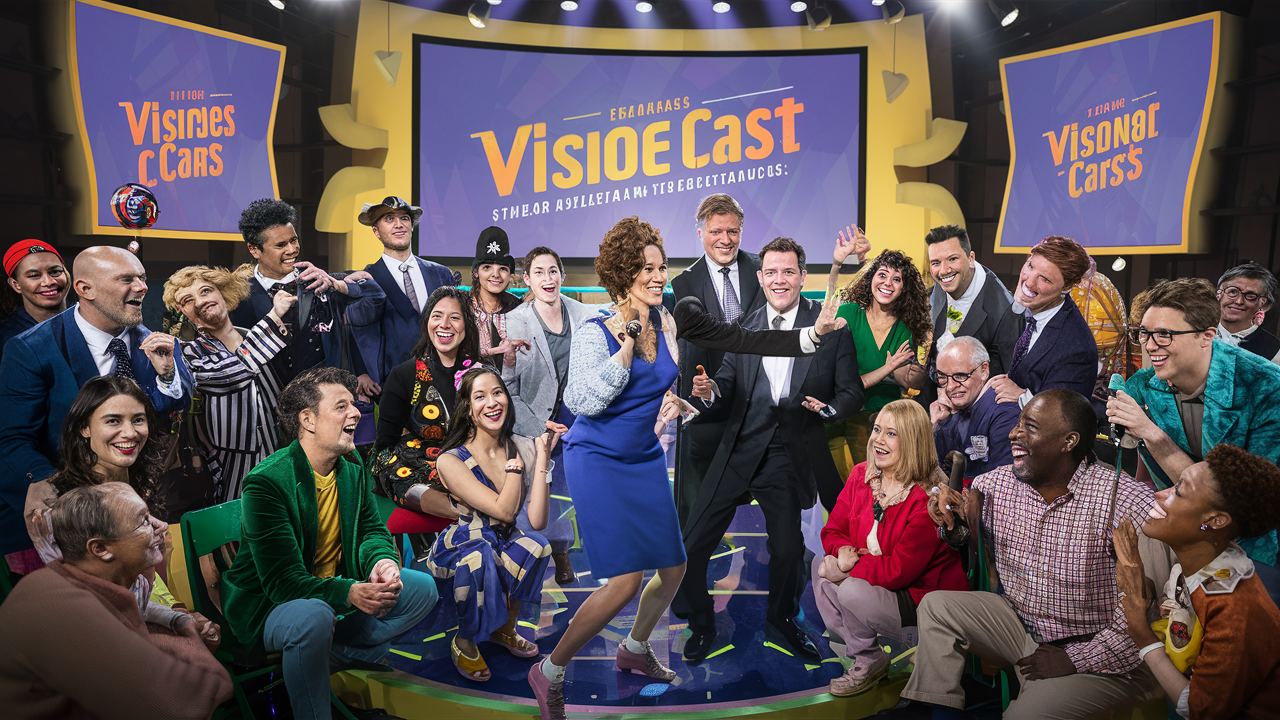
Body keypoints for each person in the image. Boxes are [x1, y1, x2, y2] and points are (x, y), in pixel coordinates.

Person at [903, 389, 1162, 718]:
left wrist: (1073, 659)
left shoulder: (1124, 500)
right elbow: (961, 531)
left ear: (1068, 441)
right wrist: (951, 522)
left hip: (1100, 654)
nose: (1014, 433)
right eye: (1018, 423)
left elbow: (1149, 613)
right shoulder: (995, 486)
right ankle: (939, 711)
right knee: (938, 607)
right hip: (1023, 630)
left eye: (1031, 426)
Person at [528, 217, 692, 720]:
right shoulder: (596, 329)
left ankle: (635, 650)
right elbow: (580, 400)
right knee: (624, 581)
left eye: (662, 267)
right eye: (647, 268)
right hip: (596, 458)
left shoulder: (665, 322)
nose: (659, 276)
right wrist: (623, 348)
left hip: (643, 456)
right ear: (623, 275)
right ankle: (550, 671)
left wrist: (680, 402)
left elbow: (660, 383)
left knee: (674, 567)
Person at [675, 237, 862, 664]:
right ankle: (701, 621)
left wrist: (829, 409)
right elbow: (725, 382)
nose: (780, 280)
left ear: (802, 276)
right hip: (739, 446)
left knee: (788, 548)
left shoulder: (830, 323)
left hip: (788, 452)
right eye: (771, 272)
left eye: (788, 271)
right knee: (693, 541)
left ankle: (782, 618)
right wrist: (710, 390)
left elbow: (850, 391)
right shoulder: (745, 324)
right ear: (760, 278)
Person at [219, 367, 438, 720]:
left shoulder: (351, 465)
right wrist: (351, 592)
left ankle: (316, 657)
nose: (356, 412)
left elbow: (371, 531)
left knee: (423, 588)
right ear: (307, 419)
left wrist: (383, 562)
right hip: (271, 609)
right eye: (341, 407)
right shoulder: (266, 483)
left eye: (354, 404)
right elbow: (283, 583)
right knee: (314, 616)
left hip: (333, 593)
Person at [0, 246, 190, 559]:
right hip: (66, 521)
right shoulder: (30, 349)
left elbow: (168, 408)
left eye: (142, 278)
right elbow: (12, 438)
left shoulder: (155, 342)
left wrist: (168, 376)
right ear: (85, 289)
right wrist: (43, 484)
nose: (142, 287)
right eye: (126, 279)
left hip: (139, 509)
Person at [1107, 277, 1280, 600]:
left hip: (1253, 546)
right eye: (1144, 332)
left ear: (1207, 336)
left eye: (1165, 334)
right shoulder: (1145, 385)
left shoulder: (1266, 387)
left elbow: (1241, 504)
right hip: (1180, 532)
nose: (1149, 344)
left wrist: (1151, 433)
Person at [0, 483, 233, 719]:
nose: (160, 526)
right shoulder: (63, 608)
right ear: (100, 548)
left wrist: (178, 619)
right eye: (143, 521)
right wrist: (189, 639)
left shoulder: (115, 583)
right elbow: (189, 701)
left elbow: (138, 612)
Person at [1114, 445, 1280, 719]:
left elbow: (1199, 710)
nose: (1158, 493)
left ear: (1214, 521)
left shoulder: (1235, 610)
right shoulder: (1198, 569)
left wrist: (1141, 635)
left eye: (1178, 491)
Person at [814, 400, 967, 697]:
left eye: (891, 434)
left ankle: (921, 645)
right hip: (878, 583)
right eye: (876, 430)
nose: (877, 440)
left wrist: (846, 563)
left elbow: (897, 572)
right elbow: (832, 529)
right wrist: (841, 549)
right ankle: (868, 658)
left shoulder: (926, 500)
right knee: (820, 568)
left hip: (920, 603)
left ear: (912, 442)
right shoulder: (861, 475)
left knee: (847, 588)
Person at [428, 366, 555, 682]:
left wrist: (541, 458)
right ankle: (465, 640)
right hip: (464, 544)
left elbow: (537, 521)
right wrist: (514, 472)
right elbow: (504, 512)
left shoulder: (521, 445)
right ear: (468, 409)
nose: (492, 402)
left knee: (537, 546)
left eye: (498, 393)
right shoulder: (451, 460)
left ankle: (504, 629)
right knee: (480, 555)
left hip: (502, 540)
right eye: (480, 396)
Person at [502, 246, 607, 584]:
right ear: (527, 279)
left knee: (569, 490)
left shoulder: (584, 313)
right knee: (536, 489)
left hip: (578, 421)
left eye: (552, 271)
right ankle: (529, 558)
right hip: (534, 421)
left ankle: (563, 553)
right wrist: (535, 425)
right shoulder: (515, 319)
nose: (547, 279)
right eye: (539, 272)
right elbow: (509, 386)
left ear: (562, 275)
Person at [165, 265, 295, 501]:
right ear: (182, 310)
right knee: (240, 529)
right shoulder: (187, 353)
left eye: (206, 291)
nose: (201, 301)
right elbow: (232, 374)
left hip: (285, 450)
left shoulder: (252, 334)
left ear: (222, 293)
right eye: (188, 299)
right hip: (234, 463)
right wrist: (275, 317)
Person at [672, 193, 764, 523]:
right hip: (707, 409)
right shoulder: (682, 283)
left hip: (759, 406)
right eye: (716, 232)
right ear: (700, 233)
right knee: (698, 507)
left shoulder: (763, 269)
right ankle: (691, 569)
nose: (725, 240)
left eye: (733, 231)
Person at [372, 286, 483, 551]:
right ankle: (466, 513)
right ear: (426, 323)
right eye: (437, 316)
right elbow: (385, 441)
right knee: (389, 461)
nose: (445, 325)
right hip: (418, 464)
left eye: (454, 317)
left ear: (467, 325)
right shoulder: (403, 374)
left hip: (469, 461)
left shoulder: (482, 372)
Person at [229, 198, 382, 387]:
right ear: (254, 249)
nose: (292, 250)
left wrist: (337, 284)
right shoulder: (237, 296)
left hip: (322, 397)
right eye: (281, 245)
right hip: (265, 401)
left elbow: (376, 299)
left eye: (294, 240)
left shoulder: (321, 281)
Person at [831, 248, 932, 474]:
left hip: (880, 420)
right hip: (838, 414)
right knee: (840, 488)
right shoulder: (847, 313)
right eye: (883, 275)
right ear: (871, 279)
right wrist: (887, 368)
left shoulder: (905, 329)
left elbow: (910, 380)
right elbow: (837, 374)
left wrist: (919, 371)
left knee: (874, 481)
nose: (888, 283)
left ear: (904, 288)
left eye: (897, 279)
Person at [349, 196, 456, 398]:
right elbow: (358, 330)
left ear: (412, 226)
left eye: (404, 218)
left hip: (443, 379)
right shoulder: (367, 278)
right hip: (390, 383)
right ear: (376, 231)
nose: (399, 225)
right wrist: (361, 372)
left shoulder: (441, 274)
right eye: (389, 219)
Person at [988, 236, 1098, 406]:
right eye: (1030, 266)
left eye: (1045, 279)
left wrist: (1022, 396)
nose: (1029, 281)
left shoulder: (1076, 347)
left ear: (1067, 287)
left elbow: (1065, 414)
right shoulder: (1026, 311)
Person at [920, 225, 1018, 409]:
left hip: (978, 408)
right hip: (936, 395)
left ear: (970, 258)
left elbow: (1007, 377)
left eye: (952, 259)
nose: (943, 270)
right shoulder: (943, 284)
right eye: (935, 263)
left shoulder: (1003, 309)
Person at [930, 336, 1021, 483]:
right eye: (942, 377)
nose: (950, 387)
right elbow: (940, 468)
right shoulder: (954, 409)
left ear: (984, 370)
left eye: (960, 376)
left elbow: (1006, 485)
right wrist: (938, 425)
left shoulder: (1004, 411)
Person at [0, 238, 70, 360]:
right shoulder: (6, 337)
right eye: (34, 275)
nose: (48, 282)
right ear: (16, 284)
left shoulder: (88, 321)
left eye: (55, 272)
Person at [468, 226, 524, 367]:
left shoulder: (518, 309)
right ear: (475, 272)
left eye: (503, 269)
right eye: (487, 267)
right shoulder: (461, 307)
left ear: (510, 275)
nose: (496, 275)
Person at [1213, 261, 1280, 364]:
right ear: (1219, 295)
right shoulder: (1195, 334)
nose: (1238, 301)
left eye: (1250, 296)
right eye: (1232, 292)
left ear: (1264, 305)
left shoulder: (1273, 350)